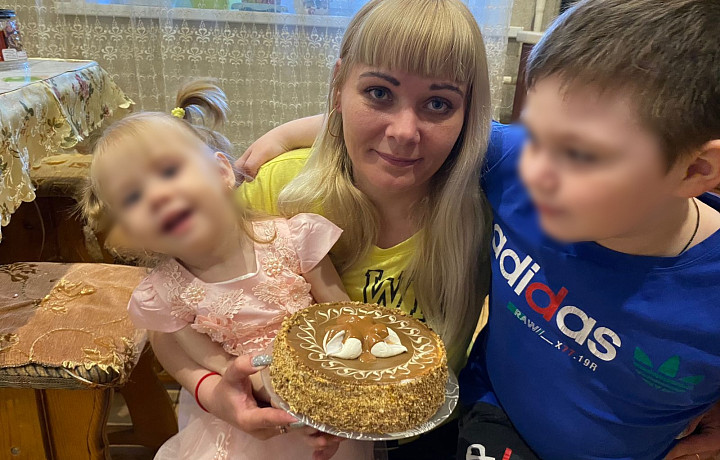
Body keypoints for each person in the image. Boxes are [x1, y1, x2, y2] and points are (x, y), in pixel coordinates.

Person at [237, 1, 720, 458]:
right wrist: (282, 136)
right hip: (484, 415)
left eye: (584, 156)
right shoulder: (512, 164)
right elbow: (401, 126)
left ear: (697, 170)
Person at [154, 1, 494, 459]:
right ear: (338, 88)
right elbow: (166, 319)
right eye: (379, 93)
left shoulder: (487, 210)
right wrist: (214, 393)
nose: (404, 132)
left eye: (438, 104)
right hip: (284, 439)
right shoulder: (280, 190)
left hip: (427, 438)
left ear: (468, 113)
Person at [81, 79, 372, 460]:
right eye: (133, 196)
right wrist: (256, 394)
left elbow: (346, 317)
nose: (157, 197)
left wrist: (346, 390)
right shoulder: (165, 294)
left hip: (327, 393)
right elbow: (208, 363)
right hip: (242, 422)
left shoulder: (296, 239)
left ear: (221, 171)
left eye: (169, 171)